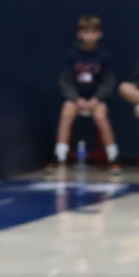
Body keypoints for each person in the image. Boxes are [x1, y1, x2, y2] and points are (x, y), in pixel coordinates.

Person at [51, 14, 119, 171]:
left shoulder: (104, 56)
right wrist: (76, 99)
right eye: (86, 32)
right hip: (77, 98)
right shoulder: (72, 55)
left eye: (93, 32)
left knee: (101, 116)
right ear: (79, 34)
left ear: (99, 34)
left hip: (96, 99)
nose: (89, 36)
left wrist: (97, 98)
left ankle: (114, 156)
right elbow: (66, 80)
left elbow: (108, 82)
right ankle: (59, 156)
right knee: (66, 112)